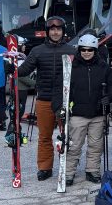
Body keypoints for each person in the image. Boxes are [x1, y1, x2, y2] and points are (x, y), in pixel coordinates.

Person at [17, 16, 76, 181]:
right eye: (52, 29)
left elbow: (83, 70)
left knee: (67, 136)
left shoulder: (72, 50)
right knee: (44, 135)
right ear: (47, 32)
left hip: (65, 100)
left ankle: (68, 167)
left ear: (63, 31)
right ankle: (45, 167)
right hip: (45, 99)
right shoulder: (38, 51)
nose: (55, 32)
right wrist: (11, 67)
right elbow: (25, 69)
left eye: (58, 29)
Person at [66, 34, 112, 185]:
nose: (86, 52)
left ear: (95, 50)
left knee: (95, 145)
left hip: (97, 113)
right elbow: (62, 89)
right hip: (78, 113)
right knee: (74, 145)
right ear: (79, 50)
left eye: (90, 50)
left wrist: (109, 97)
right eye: (83, 49)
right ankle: (68, 173)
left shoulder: (103, 67)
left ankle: (92, 171)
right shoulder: (72, 67)